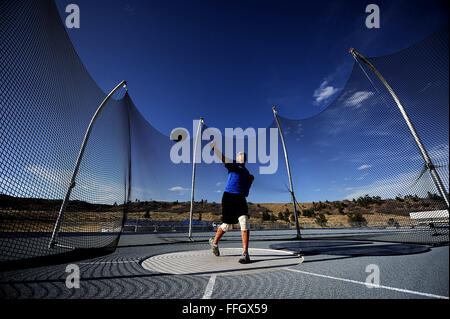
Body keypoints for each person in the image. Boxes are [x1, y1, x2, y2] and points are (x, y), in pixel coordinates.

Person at [208, 140, 254, 264]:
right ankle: (215, 243)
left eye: (244, 155)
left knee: (244, 221)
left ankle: (245, 253)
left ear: (245, 159)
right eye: (240, 154)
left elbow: (246, 193)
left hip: (240, 198)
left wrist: (250, 182)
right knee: (226, 226)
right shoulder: (233, 164)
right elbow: (223, 158)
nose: (242, 155)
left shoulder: (247, 173)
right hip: (228, 197)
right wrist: (214, 149)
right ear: (237, 158)